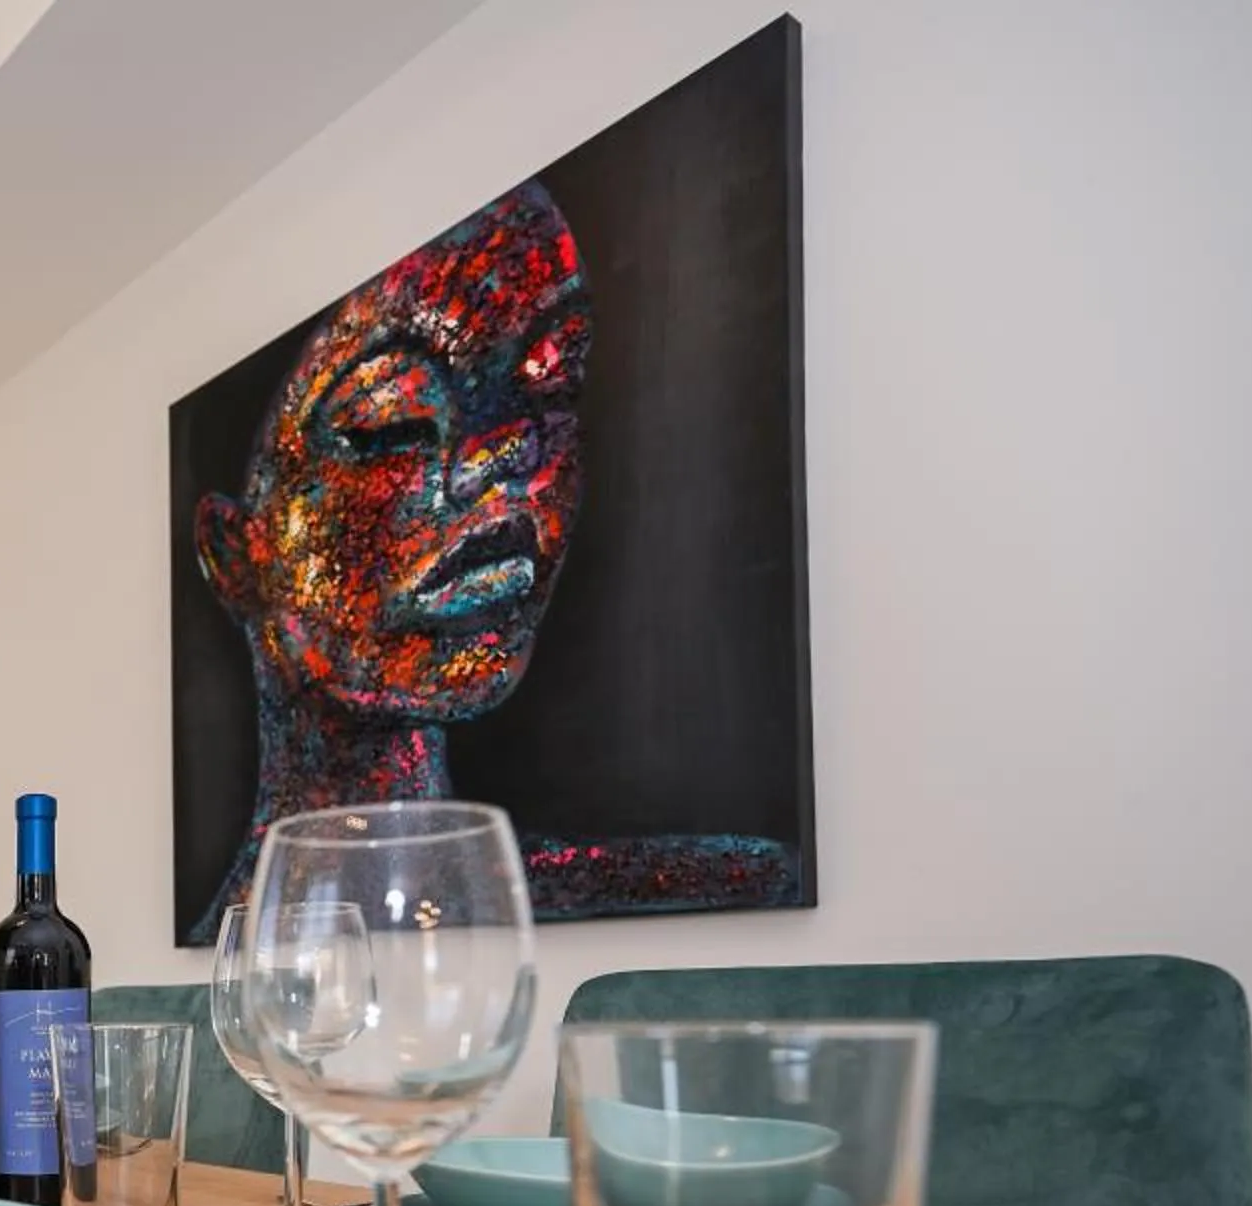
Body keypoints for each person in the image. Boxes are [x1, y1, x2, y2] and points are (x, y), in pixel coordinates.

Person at [187, 180, 799, 942]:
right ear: (235, 552)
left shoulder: (722, 889)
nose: (511, 454)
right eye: (392, 418)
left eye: (552, 383)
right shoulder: (244, 948)